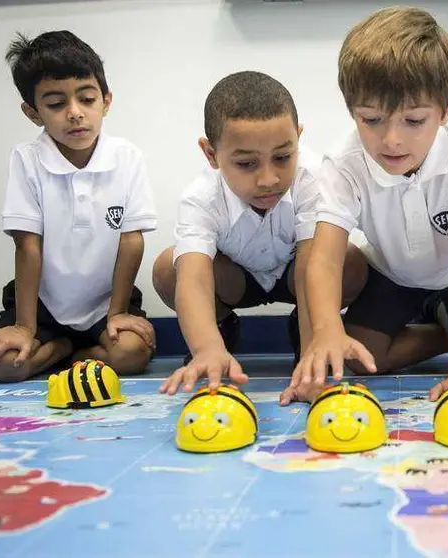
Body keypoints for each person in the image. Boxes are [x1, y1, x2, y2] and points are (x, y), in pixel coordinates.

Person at [284, 6, 448, 404]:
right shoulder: (344, 163)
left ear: (447, 108)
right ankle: (443, 329)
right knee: (359, 357)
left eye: (414, 121)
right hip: (393, 272)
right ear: (351, 108)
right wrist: (327, 329)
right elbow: (324, 259)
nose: (391, 141)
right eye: (371, 120)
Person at [152, 71, 367, 396]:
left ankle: (303, 334)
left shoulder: (314, 177)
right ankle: (221, 333)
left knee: (350, 261)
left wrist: (313, 364)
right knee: (169, 268)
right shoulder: (200, 198)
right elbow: (194, 279)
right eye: (247, 164)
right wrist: (206, 347)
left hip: (298, 277)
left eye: (282, 157)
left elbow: (314, 265)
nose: (268, 179)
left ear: (298, 137)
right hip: (237, 283)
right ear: (211, 154)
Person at [0, 31, 157, 382]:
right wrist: (25, 327)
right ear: (33, 112)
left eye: (86, 99)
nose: (75, 113)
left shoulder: (127, 157)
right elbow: (27, 244)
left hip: (105, 302)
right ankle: (62, 346)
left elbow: (131, 240)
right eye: (56, 104)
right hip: (44, 306)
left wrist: (118, 312)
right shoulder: (27, 160)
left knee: (132, 354)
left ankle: (74, 350)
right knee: (1, 365)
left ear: (105, 101)